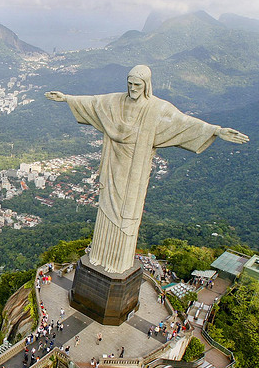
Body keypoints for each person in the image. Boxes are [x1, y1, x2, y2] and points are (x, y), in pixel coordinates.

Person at [46, 66, 248, 274]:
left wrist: (216, 130)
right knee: (106, 208)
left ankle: (118, 262)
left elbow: (184, 123)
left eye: (137, 85)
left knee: (127, 214)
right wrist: (66, 98)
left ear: (146, 85)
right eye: (130, 84)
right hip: (114, 164)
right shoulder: (115, 101)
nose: (132, 88)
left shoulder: (157, 109)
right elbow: (94, 102)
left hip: (135, 170)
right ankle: (98, 255)